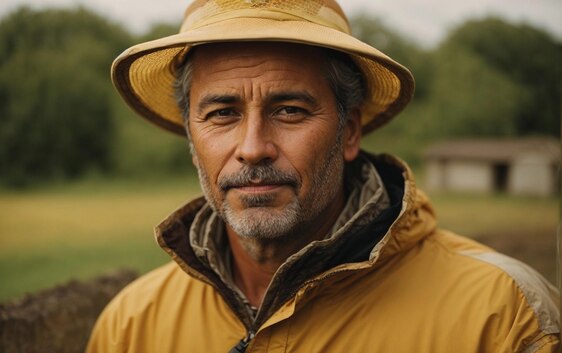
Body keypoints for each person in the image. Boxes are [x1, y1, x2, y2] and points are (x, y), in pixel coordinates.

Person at [87, 1, 560, 352]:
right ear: (191, 134)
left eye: (290, 110)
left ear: (348, 130)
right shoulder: (131, 327)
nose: (252, 148)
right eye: (222, 113)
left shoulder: (502, 317)